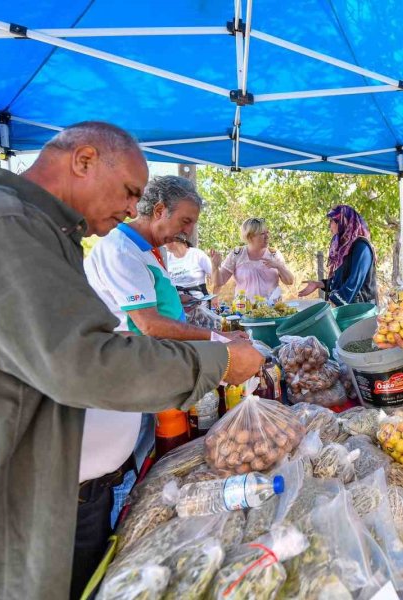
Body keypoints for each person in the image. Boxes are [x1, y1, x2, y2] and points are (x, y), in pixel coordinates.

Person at [0, 121, 264, 600]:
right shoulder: (0, 227)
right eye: (130, 191)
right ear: (84, 160)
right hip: (2, 514)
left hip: (41, 495)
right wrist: (217, 362)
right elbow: (84, 363)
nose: (133, 208)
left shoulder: (32, 229)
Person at [77, 174, 244, 598]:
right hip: (117, 391)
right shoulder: (119, 250)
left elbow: (162, 312)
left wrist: (196, 319)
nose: (189, 230)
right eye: (185, 220)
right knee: (120, 489)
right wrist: (219, 343)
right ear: (159, 211)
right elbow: (149, 324)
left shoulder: (149, 252)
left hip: (142, 386)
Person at [298, 204, 377, 305]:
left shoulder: (361, 247)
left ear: (342, 222)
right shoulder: (344, 248)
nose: (329, 226)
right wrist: (318, 284)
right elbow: (340, 280)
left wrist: (330, 304)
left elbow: (353, 283)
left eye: (332, 221)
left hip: (361, 312)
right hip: (348, 310)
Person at [211, 217, 294, 301]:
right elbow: (219, 282)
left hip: (272, 310)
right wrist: (215, 266)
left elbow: (290, 281)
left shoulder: (274, 254)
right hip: (243, 309)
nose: (267, 236)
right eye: (262, 234)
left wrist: (278, 266)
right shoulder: (237, 254)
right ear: (250, 236)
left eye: (267, 232)